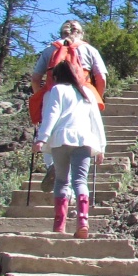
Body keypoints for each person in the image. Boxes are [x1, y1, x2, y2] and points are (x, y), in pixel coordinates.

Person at [34, 56, 106, 237]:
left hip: (61, 140)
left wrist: (41, 138)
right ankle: (83, 222)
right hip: (84, 140)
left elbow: (51, 114)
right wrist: (101, 147)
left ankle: (60, 224)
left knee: (61, 181)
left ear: (56, 77)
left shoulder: (57, 90)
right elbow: (96, 121)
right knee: (80, 181)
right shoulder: (88, 93)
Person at [33, 19, 108, 94]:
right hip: (84, 92)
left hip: (53, 92)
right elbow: (101, 78)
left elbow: (35, 79)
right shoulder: (90, 49)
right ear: (82, 34)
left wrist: (40, 98)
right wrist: (98, 99)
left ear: (62, 34)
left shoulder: (49, 49)